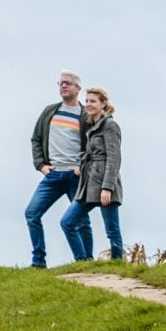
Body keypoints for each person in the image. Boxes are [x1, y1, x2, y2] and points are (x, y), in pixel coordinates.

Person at [24, 70, 86, 267]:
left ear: (78, 88)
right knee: (32, 214)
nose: (63, 86)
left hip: (75, 176)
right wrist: (41, 165)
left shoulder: (86, 116)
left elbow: (93, 146)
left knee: (81, 221)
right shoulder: (50, 112)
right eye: (60, 83)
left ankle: (86, 262)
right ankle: (38, 262)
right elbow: (36, 139)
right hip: (52, 175)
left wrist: (82, 167)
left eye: (67, 83)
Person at [62, 86, 124, 260]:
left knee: (112, 230)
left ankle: (117, 266)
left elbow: (114, 158)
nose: (88, 104)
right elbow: (89, 153)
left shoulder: (110, 125)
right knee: (67, 222)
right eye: (87, 101)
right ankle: (83, 261)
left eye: (93, 101)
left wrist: (107, 188)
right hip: (88, 183)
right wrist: (81, 166)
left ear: (103, 104)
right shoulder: (92, 125)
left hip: (105, 182)